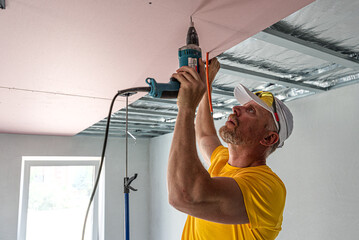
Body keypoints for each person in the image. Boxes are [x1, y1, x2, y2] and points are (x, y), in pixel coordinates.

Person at [168, 57, 294, 240]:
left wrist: (186, 108)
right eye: (243, 106)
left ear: (268, 138)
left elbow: (184, 195)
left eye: (251, 111)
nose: (236, 108)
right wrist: (205, 86)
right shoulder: (223, 160)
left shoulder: (267, 188)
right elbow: (205, 135)